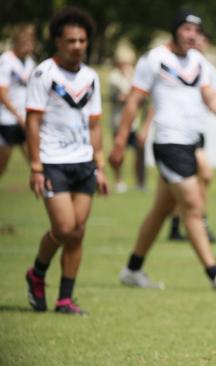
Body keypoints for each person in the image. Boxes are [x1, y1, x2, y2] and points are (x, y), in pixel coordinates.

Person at [109, 10, 216, 290]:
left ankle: (132, 269)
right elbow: (135, 101)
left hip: (190, 142)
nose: (192, 35)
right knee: (193, 207)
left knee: (161, 210)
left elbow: (212, 98)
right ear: (175, 31)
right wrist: (120, 141)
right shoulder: (155, 59)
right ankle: (214, 274)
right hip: (169, 143)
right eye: (186, 29)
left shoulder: (199, 62)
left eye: (196, 31)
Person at [24, 7, 108, 315]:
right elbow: (32, 122)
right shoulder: (44, 73)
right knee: (63, 226)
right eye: (71, 40)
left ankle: (65, 299)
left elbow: (95, 124)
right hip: (52, 162)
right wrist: (35, 166)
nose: (77, 46)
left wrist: (99, 166)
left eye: (82, 40)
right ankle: (36, 273)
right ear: (58, 42)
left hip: (84, 162)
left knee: (78, 231)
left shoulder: (91, 77)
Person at [164, 30, 216, 243]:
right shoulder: (178, 65)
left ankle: (177, 225)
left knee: (171, 194)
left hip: (196, 133)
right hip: (178, 136)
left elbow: (214, 99)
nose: (197, 42)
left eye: (202, 39)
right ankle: (199, 223)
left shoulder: (207, 69)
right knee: (205, 175)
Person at [107, 46, 146, 193]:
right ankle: (118, 180)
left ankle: (139, 182)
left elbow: (139, 96)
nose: (126, 66)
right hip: (118, 121)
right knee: (118, 153)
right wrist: (134, 96)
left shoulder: (135, 75)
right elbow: (126, 96)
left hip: (134, 123)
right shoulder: (114, 77)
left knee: (139, 153)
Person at [0, 23, 36, 178]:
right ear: (17, 43)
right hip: (7, 120)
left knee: (36, 162)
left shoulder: (30, 62)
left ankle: (50, 192)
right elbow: (2, 93)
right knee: (2, 165)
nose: (28, 46)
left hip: (25, 119)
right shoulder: (6, 60)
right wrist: (17, 115)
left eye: (30, 42)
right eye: (25, 43)